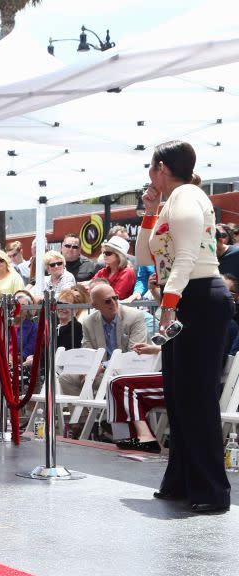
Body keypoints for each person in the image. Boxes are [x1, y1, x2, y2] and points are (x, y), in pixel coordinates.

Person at [138, 140, 232, 514]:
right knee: (178, 395)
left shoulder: (190, 196)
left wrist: (168, 307)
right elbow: (146, 256)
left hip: (198, 297)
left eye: (150, 166)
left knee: (196, 396)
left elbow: (187, 258)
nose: (149, 173)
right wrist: (148, 211)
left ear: (161, 167)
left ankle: (212, 489)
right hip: (184, 296)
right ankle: (182, 480)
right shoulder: (172, 200)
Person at [93, 236, 136, 301]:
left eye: (108, 253)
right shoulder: (102, 271)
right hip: (102, 308)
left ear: (119, 255)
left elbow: (116, 295)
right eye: (104, 252)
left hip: (120, 309)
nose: (104, 255)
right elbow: (91, 287)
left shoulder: (127, 272)